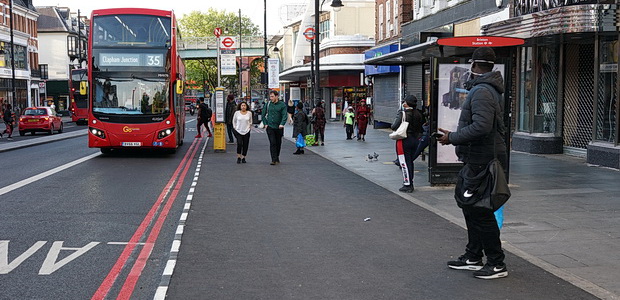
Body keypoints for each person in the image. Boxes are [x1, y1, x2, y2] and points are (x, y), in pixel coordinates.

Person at [437, 47, 508, 280]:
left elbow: (481, 127)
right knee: (470, 207)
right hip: (477, 158)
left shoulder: (482, 92)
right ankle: (473, 256)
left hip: (482, 159)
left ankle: (496, 263)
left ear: (475, 65)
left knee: (480, 211)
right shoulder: (485, 90)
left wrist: (452, 138)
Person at [391, 95, 424, 193]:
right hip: (415, 139)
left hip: (404, 140)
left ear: (406, 103)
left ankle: (407, 184)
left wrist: (399, 113)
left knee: (404, 162)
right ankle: (411, 182)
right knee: (410, 161)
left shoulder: (403, 114)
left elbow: (394, 126)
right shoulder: (419, 113)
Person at [261, 90, 287, 165]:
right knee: (272, 143)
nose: (271, 98)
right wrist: (265, 123)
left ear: (276, 96)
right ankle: (273, 159)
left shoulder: (282, 105)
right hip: (270, 126)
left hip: (279, 127)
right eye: (270, 96)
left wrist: (282, 124)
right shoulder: (268, 104)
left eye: (272, 96)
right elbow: (263, 115)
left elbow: (284, 115)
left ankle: (277, 156)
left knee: (278, 143)